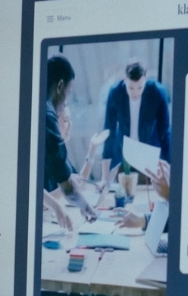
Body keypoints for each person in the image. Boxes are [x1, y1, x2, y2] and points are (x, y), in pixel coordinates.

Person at [43, 55, 97, 228]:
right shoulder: (47, 116)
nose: (66, 101)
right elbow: (68, 188)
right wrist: (87, 208)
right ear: (60, 86)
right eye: (69, 92)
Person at [101, 61, 172, 189]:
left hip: (148, 154)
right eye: (131, 88)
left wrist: (170, 172)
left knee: (150, 191)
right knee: (122, 192)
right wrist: (104, 178)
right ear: (125, 79)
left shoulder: (157, 92)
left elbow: (165, 134)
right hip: (123, 155)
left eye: (140, 87)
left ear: (146, 79)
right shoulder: (115, 92)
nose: (135, 92)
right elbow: (108, 132)